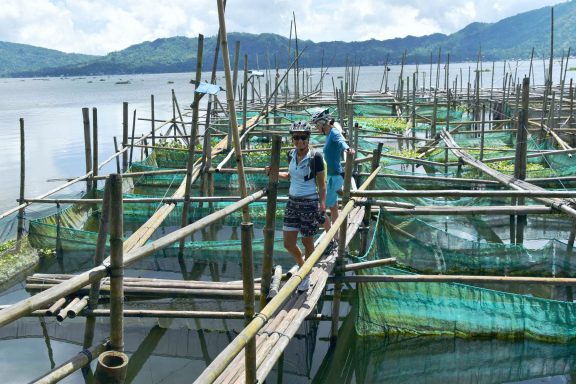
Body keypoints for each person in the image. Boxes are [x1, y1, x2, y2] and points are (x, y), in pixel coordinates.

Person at [266, 121, 326, 293]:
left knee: (307, 241)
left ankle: (306, 275)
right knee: (288, 243)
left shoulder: (316, 157)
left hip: (309, 203)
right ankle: (303, 266)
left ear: (308, 138)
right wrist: (274, 172)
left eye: (303, 137)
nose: (300, 141)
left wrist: (322, 205)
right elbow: (290, 175)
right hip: (292, 202)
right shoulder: (291, 154)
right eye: (296, 137)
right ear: (292, 139)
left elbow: (321, 184)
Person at [310, 109, 355, 242]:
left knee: (322, 208)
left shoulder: (334, 133)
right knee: (333, 207)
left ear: (323, 123)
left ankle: (332, 237)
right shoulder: (328, 134)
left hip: (335, 176)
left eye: (317, 126)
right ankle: (337, 235)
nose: (317, 129)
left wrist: (347, 148)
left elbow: (342, 141)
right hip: (330, 175)